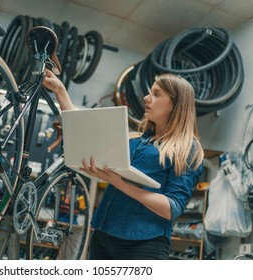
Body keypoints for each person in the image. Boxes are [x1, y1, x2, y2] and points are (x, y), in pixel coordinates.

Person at [43, 69, 204, 260]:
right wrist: (60, 91)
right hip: (103, 236)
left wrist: (119, 183)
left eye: (156, 94)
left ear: (175, 105)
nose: (146, 97)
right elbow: (86, 135)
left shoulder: (187, 148)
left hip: (143, 245)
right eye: (150, 92)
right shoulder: (136, 140)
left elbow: (172, 208)